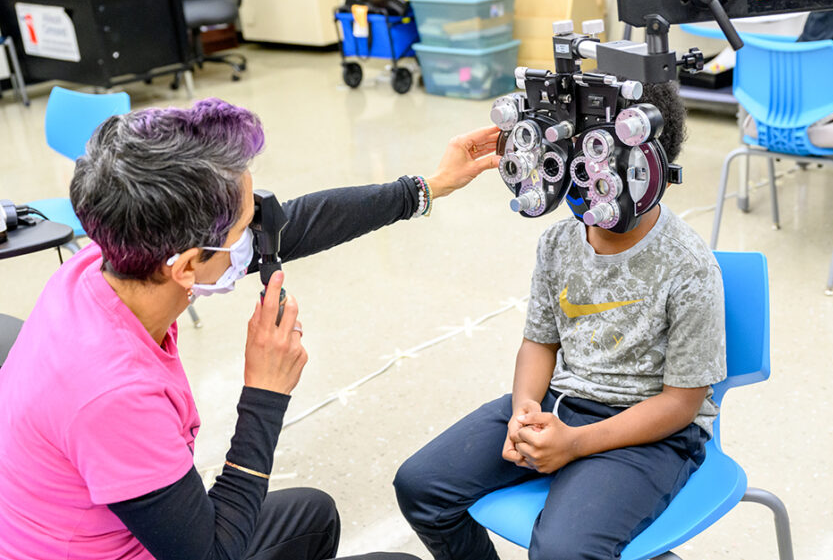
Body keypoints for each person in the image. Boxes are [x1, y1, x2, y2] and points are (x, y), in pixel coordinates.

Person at [0, 98, 500, 560]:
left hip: (107, 524)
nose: (259, 232)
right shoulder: (111, 394)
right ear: (189, 265)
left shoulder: (106, 259)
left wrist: (426, 188)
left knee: (313, 514)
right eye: (245, 225)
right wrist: (265, 392)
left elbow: (290, 227)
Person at [392, 83, 727, 560]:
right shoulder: (558, 242)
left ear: (659, 174)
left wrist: (576, 444)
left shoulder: (689, 265)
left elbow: (682, 402)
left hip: (651, 430)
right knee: (421, 487)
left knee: (562, 552)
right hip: (561, 401)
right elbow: (539, 343)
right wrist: (524, 409)